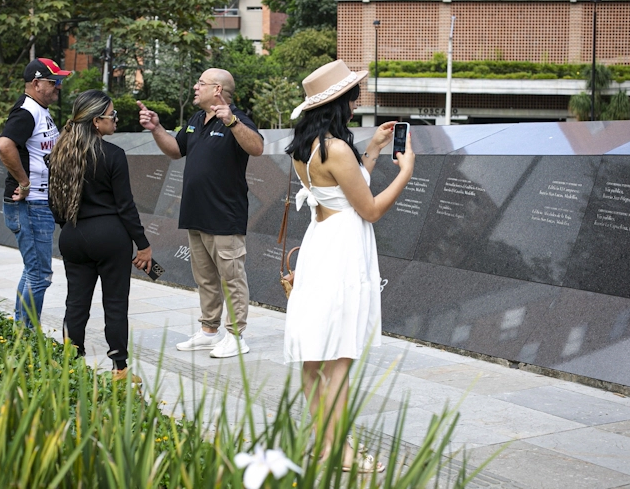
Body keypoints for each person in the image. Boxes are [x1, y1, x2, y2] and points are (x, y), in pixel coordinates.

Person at [283, 60, 415, 473]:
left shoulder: (307, 148)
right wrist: (406, 173)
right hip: (341, 250)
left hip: (322, 242)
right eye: (354, 97)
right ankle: (340, 452)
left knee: (315, 355)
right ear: (340, 103)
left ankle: (323, 444)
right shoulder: (335, 149)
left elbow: (344, 192)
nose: (358, 104)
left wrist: (372, 151)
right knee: (338, 354)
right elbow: (370, 209)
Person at [137, 68, 264, 358]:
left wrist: (230, 121)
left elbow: (257, 147)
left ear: (217, 89)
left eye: (201, 83)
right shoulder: (196, 120)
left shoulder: (237, 119)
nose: (195, 87)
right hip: (196, 212)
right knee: (205, 278)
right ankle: (209, 331)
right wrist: (157, 128)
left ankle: (236, 336)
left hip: (225, 215)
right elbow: (175, 150)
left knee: (231, 276)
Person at [47, 90, 152, 383]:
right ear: (96, 122)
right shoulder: (113, 155)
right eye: (112, 116)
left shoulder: (59, 153)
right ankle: (119, 368)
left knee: (76, 302)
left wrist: (68, 225)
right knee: (115, 303)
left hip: (73, 235)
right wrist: (142, 245)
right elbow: (126, 206)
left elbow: (54, 201)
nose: (116, 120)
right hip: (110, 236)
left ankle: (71, 362)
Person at [0, 58, 71, 329]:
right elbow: (5, 146)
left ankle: (20, 330)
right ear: (37, 83)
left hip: (39, 204)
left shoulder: (40, 110)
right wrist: (25, 182)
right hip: (30, 205)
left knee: (33, 271)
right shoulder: (27, 111)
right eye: (55, 82)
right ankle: (27, 336)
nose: (59, 87)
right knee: (40, 274)